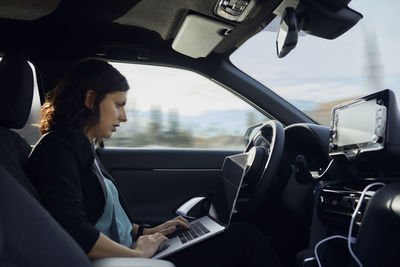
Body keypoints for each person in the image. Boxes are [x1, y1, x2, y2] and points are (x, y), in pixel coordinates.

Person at [27, 58, 282, 267]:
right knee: (245, 237)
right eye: (118, 105)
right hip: (119, 260)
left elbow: (102, 214)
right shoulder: (58, 149)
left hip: (124, 252)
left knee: (238, 233)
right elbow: (71, 229)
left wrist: (146, 232)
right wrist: (137, 255)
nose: (124, 117)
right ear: (91, 100)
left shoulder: (82, 146)